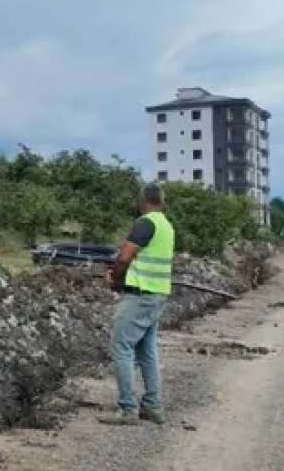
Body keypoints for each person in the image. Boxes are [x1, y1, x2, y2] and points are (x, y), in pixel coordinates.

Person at [98, 181, 174, 426]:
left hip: (140, 295)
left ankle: (127, 409)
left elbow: (124, 258)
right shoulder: (166, 225)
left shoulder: (145, 223)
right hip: (157, 294)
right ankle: (153, 405)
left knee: (121, 346)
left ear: (142, 201)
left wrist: (115, 279)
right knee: (146, 351)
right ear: (161, 201)